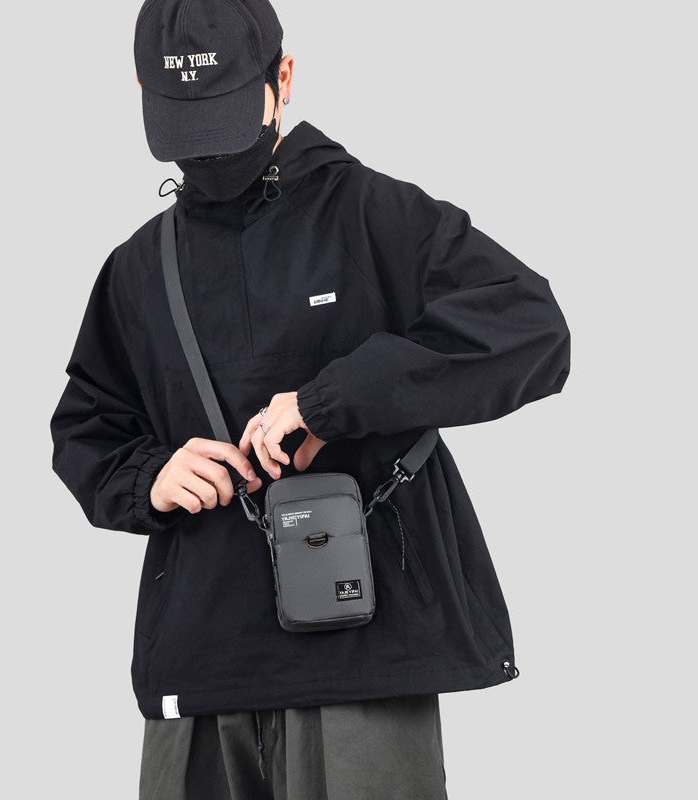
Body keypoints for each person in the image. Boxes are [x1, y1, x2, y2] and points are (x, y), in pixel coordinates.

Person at [49, 1, 571, 797]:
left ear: (283, 78)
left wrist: (330, 401)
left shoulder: (371, 215)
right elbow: (87, 425)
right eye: (184, 124)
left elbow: (530, 328)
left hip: (364, 665)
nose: (207, 151)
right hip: (200, 670)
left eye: (223, 117)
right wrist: (150, 476)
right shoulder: (138, 266)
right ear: (144, 93)